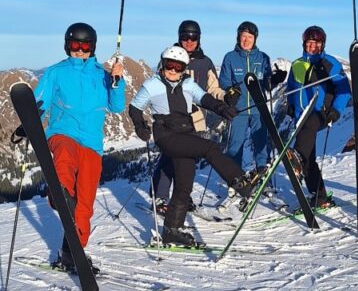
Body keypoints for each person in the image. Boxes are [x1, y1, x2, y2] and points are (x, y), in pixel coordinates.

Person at [12, 22, 125, 272]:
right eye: (75, 45)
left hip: (92, 144)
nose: (80, 50)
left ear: (92, 47)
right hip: (62, 133)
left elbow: (116, 106)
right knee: (64, 155)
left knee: (85, 204)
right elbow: (40, 101)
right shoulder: (56, 72)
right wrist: (28, 123)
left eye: (85, 46)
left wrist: (118, 81)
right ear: (67, 45)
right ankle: (60, 193)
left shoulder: (103, 75)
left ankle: (72, 252)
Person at [129, 46, 259, 246]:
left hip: (186, 133)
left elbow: (205, 99)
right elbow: (135, 107)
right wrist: (140, 126)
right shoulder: (152, 85)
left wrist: (222, 109)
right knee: (210, 148)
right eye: (170, 65)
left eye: (178, 67)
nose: (173, 70)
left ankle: (172, 230)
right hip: (167, 135)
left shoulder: (188, 84)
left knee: (184, 186)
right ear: (163, 64)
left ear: (184, 69)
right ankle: (240, 181)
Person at [152, 19, 227, 214]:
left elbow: (213, 88)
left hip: (195, 119)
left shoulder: (205, 62)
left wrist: (226, 97)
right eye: (185, 37)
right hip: (171, 118)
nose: (189, 41)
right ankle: (160, 197)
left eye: (193, 37)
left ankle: (182, 197)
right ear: (179, 38)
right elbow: (158, 85)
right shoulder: (169, 58)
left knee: (188, 162)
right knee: (169, 158)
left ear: (199, 39)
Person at [285, 26, 351, 208]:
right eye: (309, 43)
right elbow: (291, 88)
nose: (312, 46)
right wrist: (291, 105)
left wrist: (336, 110)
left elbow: (344, 90)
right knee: (308, 157)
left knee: (303, 148)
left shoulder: (329, 63)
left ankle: (297, 158)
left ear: (323, 45)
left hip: (322, 112)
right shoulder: (297, 64)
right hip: (301, 115)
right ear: (304, 44)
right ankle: (319, 196)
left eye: (317, 43)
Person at [219, 21, 286, 175]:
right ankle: (235, 176)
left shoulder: (263, 57)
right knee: (235, 145)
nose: (246, 40)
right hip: (238, 109)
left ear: (255, 39)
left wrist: (275, 79)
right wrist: (230, 91)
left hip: (259, 108)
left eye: (250, 37)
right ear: (238, 37)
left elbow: (267, 85)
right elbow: (224, 81)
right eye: (244, 36)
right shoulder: (230, 58)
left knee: (261, 143)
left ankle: (263, 174)